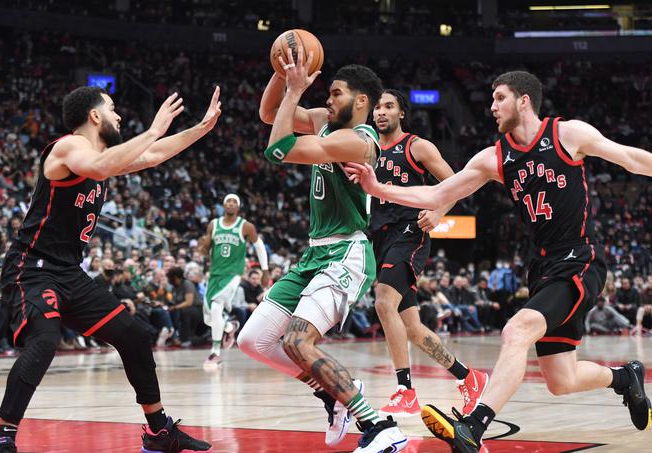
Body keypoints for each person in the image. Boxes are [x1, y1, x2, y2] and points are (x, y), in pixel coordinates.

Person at [347, 70, 652, 452]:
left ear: (524, 100)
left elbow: (630, 158)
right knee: (561, 379)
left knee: (516, 331)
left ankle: (473, 427)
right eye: (491, 99)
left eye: (499, 98)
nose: (491, 106)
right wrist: (377, 188)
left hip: (579, 260)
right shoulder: (493, 158)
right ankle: (625, 378)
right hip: (541, 268)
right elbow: (438, 193)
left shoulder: (567, 134)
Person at [0, 84, 221, 453]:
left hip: (69, 272)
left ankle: (159, 432)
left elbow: (153, 154)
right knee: (45, 340)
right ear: (94, 115)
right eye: (112, 109)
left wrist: (200, 129)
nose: (119, 116)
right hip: (31, 268)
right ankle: (4, 439)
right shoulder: (68, 148)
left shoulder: (105, 155)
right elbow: (101, 165)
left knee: (135, 335)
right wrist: (154, 128)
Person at [237, 49, 407, 453]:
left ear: (360, 101)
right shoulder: (322, 122)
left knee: (297, 343)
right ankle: (335, 392)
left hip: (346, 253)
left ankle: (380, 426)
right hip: (314, 254)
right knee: (253, 341)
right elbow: (268, 113)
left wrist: (297, 89)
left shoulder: (359, 142)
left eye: (335, 94)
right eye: (326, 94)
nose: (327, 100)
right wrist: (282, 74)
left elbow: (276, 149)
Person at [370, 89, 488, 417]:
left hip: (410, 232)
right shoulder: (367, 147)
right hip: (378, 237)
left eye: (388, 106)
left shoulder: (416, 146)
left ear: (401, 113)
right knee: (413, 328)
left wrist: (439, 212)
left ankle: (405, 389)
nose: (381, 112)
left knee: (383, 302)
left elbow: (456, 182)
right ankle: (469, 377)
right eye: (377, 107)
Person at [198, 193, 269, 369]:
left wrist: (265, 270)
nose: (230, 204)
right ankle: (230, 327)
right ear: (223, 205)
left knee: (216, 309)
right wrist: (203, 246)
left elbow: (259, 246)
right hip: (215, 274)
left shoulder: (245, 226)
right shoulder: (213, 225)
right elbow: (204, 250)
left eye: (234, 202)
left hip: (233, 274)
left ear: (238, 207)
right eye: (227, 201)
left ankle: (215, 353)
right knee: (209, 318)